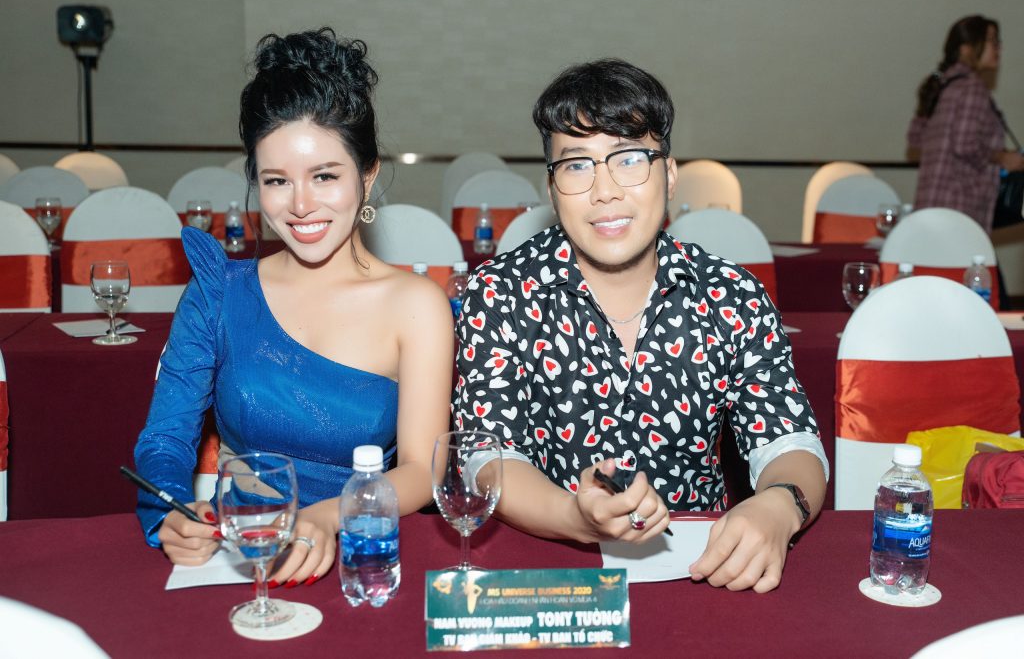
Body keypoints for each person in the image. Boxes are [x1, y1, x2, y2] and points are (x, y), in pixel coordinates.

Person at [452, 59, 828, 593]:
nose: (604, 191)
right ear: (552, 188)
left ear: (669, 174)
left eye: (629, 159)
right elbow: (488, 457)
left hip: (703, 571)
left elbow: (790, 442)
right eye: (577, 165)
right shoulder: (500, 293)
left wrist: (778, 506)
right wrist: (574, 515)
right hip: (551, 569)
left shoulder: (730, 295)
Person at [133, 29, 453, 586]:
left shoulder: (416, 305)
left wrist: (329, 516)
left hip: (363, 554)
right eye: (277, 180)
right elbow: (165, 438)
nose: (301, 205)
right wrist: (170, 512)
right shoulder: (218, 293)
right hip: (242, 555)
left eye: (325, 176)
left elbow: (423, 472)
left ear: (368, 175)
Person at [907, 15, 1024, 233]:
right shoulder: (972, 88)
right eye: (991, 41)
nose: (998, 48)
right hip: (961, 206)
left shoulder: (942, 85)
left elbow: (915, 138)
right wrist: (1003, 157)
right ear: (966, 49)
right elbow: (964, 145)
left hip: (931, 201)